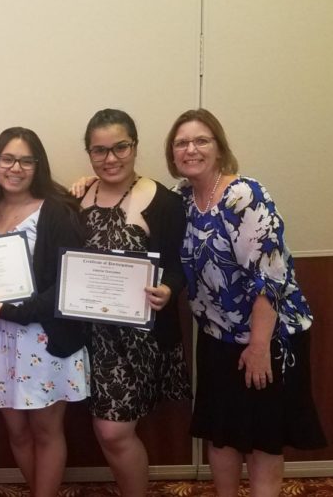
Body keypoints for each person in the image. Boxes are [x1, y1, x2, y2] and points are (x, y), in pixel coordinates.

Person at [165, 108, 326, 497]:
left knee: (261, 438)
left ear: (219, 147)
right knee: (221, 434)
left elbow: (269, 277)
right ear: (172, 154)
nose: (191, 149)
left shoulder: (245, 195)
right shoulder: (181, 199)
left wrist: (258, 347)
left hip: (268, 335)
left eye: (201, 140)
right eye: (181, 143)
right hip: (217, 335)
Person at [0, 127, 89, 497]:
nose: (15, 167)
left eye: (25, 160)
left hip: (42, 337)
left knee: (45, 431)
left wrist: (15, 311)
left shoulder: (58, 211)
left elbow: (68, 285)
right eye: (7, 158)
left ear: (38, 166)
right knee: (16, 430)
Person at [79, 109, 191, 497]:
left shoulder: (165, 202)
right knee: (107, 432)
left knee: (112, 431)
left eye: (120, 147)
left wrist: (169, 290)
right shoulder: (76, 197)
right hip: (88, 336)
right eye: (99, 150)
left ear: (135, 146)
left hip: (139, 339)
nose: (111, 158)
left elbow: (180, 266)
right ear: (89, 154)